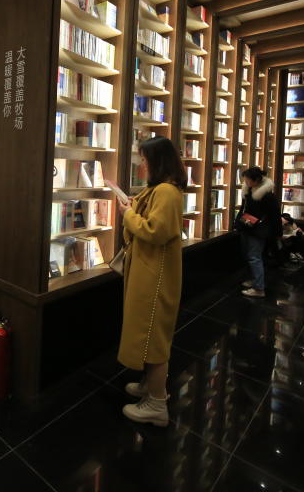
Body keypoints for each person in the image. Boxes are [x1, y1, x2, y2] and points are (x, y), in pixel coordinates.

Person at [114, 136, 185, 427]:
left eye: (144, 160)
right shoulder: (160, 190)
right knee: (147, 331)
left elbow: (156, 231)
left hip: (155, 276)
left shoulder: (166, 192)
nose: (141, 166)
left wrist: (128, 214)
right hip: (149, 271)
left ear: (157, 161)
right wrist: (133, 209)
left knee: (152, 336)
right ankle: (150, 386)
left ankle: (157, 403)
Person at [236, 167, 280, 298]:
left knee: (255, 257)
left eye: (248, 179)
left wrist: (278, 233)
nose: (245, 181)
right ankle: (255, 280)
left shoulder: (267, 195)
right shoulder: (248, 190)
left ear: (256, 180)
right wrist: (238, 222)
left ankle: (259, 288)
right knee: (250, 256)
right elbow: (244, 209)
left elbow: (275, 215)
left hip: (258, 231)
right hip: (247, 227)